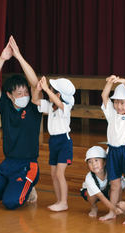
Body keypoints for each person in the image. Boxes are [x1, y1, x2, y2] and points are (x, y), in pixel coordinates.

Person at [0, 36, 42, 210]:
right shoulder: (5, 105)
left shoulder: (34, 106)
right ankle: (13, 186)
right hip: (8, 163)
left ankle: (28, 187)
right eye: (19, 93)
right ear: (9, 95)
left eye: (25, 92)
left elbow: (36, 84)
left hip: (27, 165)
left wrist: (19, 57)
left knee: (10, 203)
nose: (24, 96)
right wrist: (2, 59)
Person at [100, 75, 125, 224]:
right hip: (112, 152)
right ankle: (112, 212)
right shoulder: (111, 113)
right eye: (116, 101)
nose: (119, 105)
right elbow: (104, 95)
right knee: (115, 185)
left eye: (122, 102)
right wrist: (110, 83)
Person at [32, 76, 75, 211]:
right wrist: (38, 89)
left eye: (50, 90)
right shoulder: (50, 105)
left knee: (59, 174)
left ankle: (64, 202)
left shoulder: (66, 107)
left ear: (57, 94)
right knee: (53, 174)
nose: (47, 92)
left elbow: (60, 103)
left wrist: (46, 89)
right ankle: (58, 200)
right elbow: (35, 100)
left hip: (64, 142)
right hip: (53, 141)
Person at [80, 146, 125, 218]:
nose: (93, 164)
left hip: (107, 191)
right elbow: (100, 196)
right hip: (96, 194)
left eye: (96, 160)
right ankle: (94, 208)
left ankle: (119, 207)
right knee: (90, 193)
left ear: (105, 162)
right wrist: (113, 209)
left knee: (117, 187)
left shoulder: (112, 172)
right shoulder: (89, 178)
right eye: (90, 161)